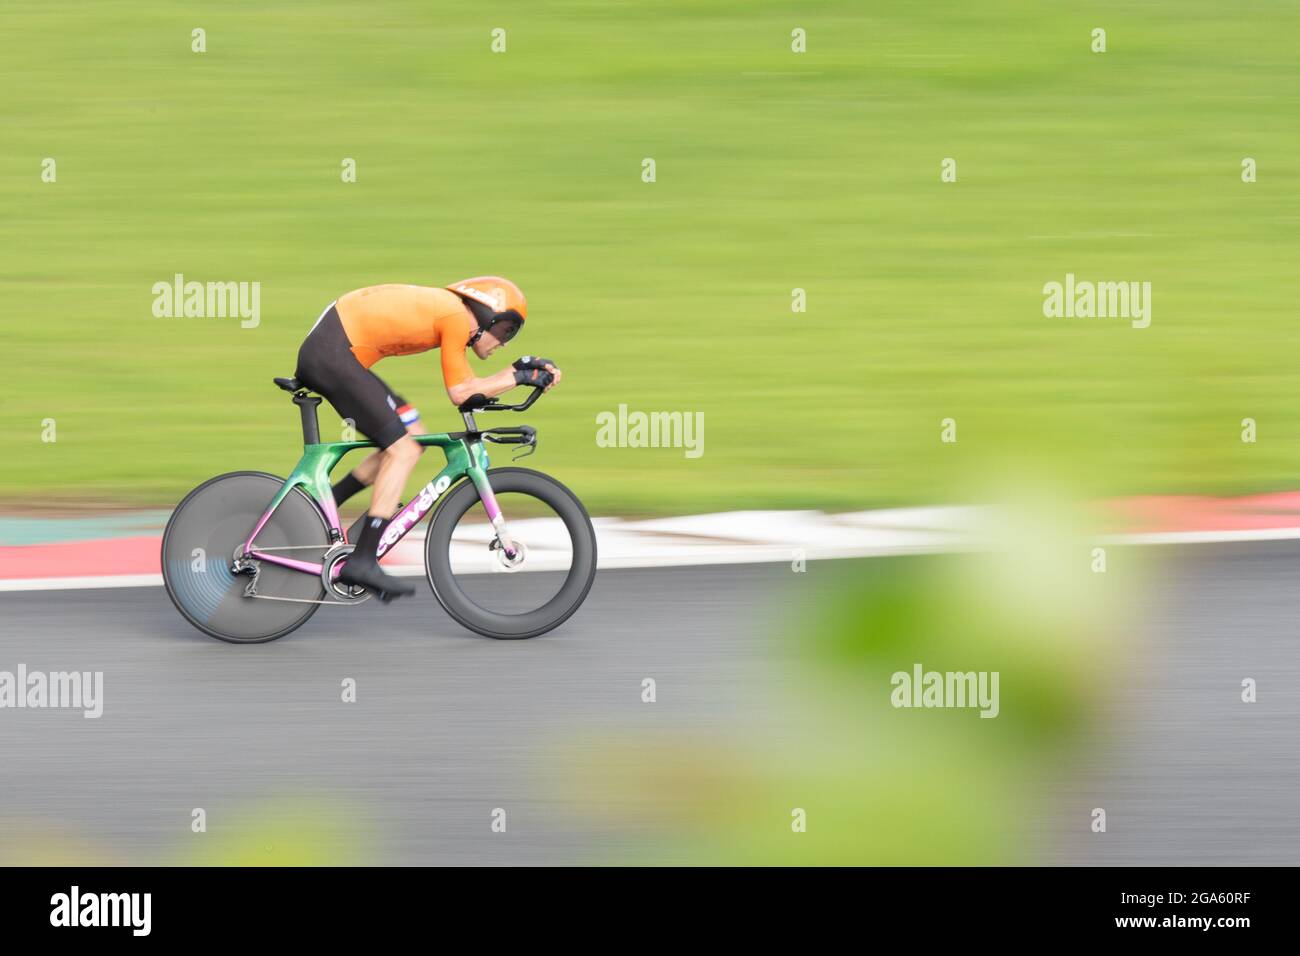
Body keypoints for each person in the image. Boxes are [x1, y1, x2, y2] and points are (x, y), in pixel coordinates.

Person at [292, 277, 560, 599]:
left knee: (413, 437)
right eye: (506, 330)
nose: (504, 341)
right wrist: (518, 376)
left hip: (337, 354)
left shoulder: (450, 311)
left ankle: (324, 507)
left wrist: (515, 372)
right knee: (402, 451)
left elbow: (468, 388)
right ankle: (362, 560)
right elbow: (461, 394)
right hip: (334, 355)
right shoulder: (456, 317)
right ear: (486, 312)